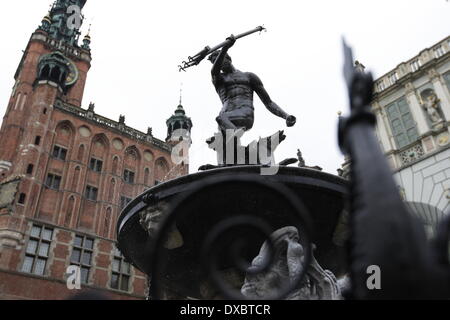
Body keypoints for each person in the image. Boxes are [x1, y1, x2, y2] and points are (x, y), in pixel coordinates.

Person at [207, 35, 296, 136]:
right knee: (224, 137)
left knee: (222, 118)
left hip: (244, 113)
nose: (219, 64)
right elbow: (214, 71)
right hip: (226, 118)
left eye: (220, 60)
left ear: (229, 59)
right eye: (215, 62)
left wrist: (286, 116)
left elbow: (268, 102)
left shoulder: (249, 76)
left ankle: (235, 137)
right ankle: (234, 142)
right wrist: (225, 48)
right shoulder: (218, 79)